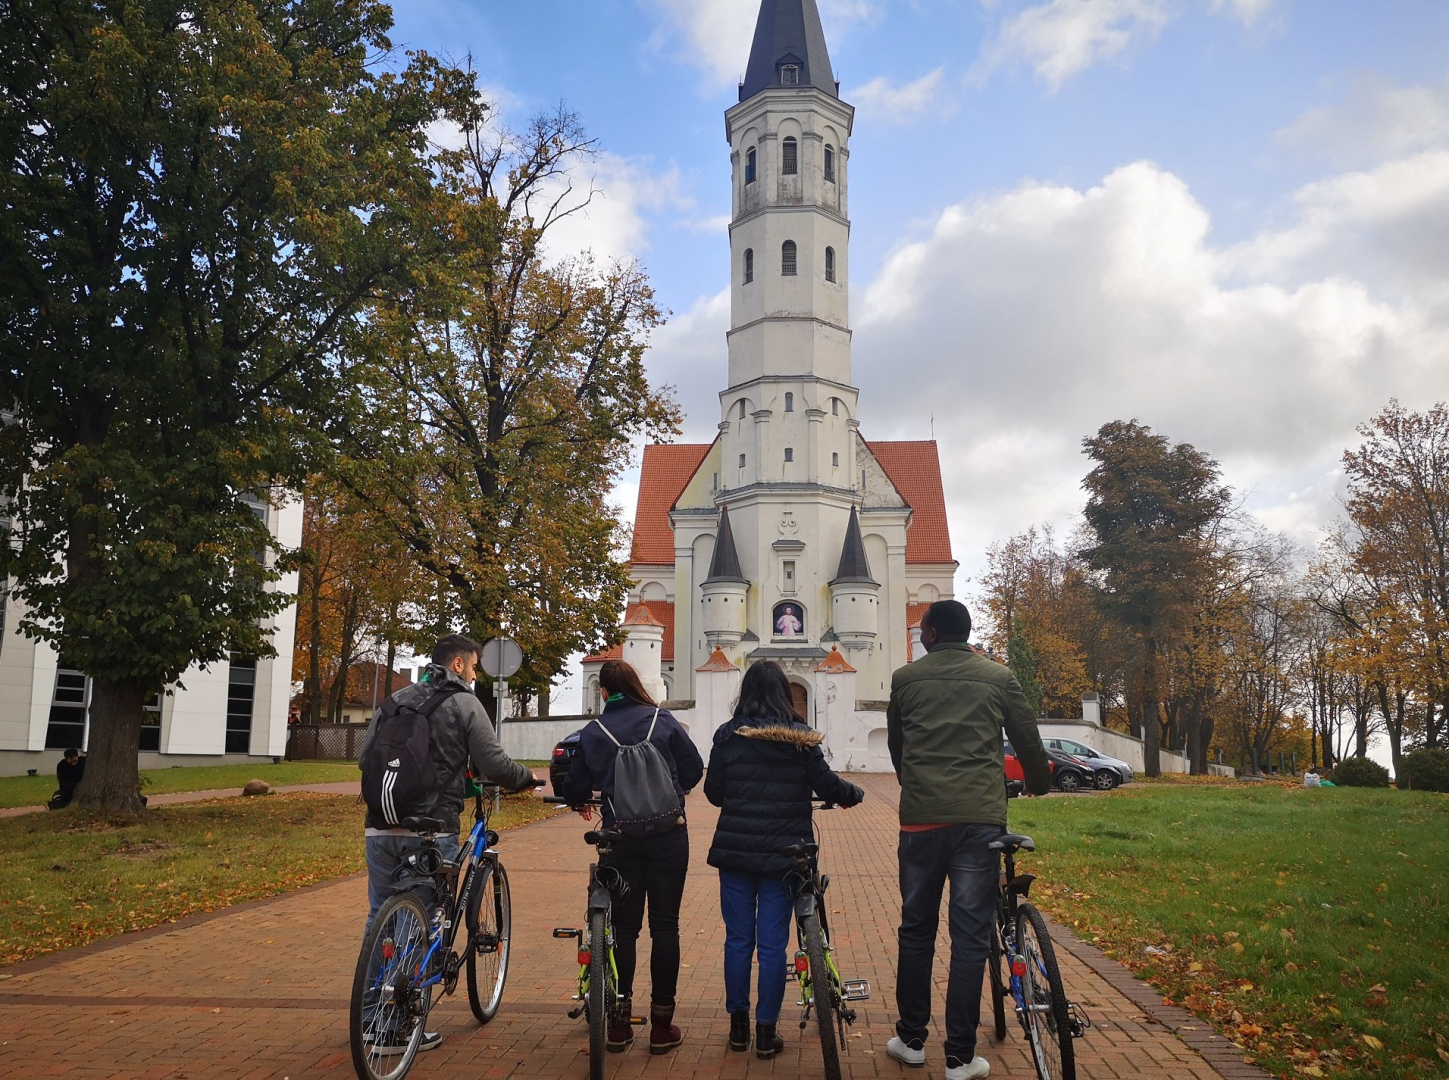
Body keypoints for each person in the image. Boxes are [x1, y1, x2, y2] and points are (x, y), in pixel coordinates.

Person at [886, 600, 1052, 1080]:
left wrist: (915, 785)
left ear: (933, 633)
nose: (921, 636)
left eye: (923, 629)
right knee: (970, 936)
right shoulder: (998, 678)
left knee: (916, 929)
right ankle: (960, 1056)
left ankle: (910, 1040)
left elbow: (898, 746)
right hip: (980, 821)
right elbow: (1027, 739)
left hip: (921, 823)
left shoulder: (905, 679)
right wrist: (1039, 783)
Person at [357, 633, 537, 1055]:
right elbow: (493, 762)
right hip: (431, 830)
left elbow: (365, 759)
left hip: (380, 827)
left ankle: (369, 1017)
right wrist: (524, 778)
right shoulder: (463, 703)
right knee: (420, 921)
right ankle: (396, 1028)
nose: (474, 675)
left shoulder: (395, 701)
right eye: (473, 667)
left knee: (380, 917)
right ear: (457, 665)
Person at [704, 661, 864, 1059]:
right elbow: (827, 784)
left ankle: (737, 1028)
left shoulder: (728, 736)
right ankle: (766, 1031)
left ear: (745, 692)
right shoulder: (800, 739)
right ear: (784, 693)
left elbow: (713, 793)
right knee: (772, 944)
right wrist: (853, 794)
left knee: (738, 940)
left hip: (736, 853)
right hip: (784, 855)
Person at [564, 659, 704, 1055]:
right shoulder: (662, 719)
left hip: (620, 838)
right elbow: (694, 769)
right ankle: (661, 1026)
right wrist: (671, 789)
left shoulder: (594, 732)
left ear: (603, 692)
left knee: (624, 930)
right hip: (669, 836)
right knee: (666, 927)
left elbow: (575, 785)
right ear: (636, 685)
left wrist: (582, 799)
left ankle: (620, 1023)